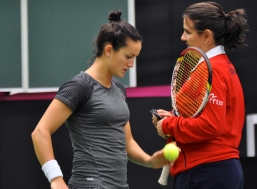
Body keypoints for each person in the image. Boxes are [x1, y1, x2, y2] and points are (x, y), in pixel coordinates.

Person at [31, 11, 170, 189]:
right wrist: (56, 178)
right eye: (128, 56)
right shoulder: (80, 86)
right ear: (109, 50)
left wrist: (150, 161)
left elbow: (127, 141)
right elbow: (40, 132)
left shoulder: (119, 89)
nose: (132, 64)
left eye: (134, 57)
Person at [153, 2, 249, 189]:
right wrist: (172, 119)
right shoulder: (223, 66)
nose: (183, 37)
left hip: (206, 173)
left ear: (206, 36)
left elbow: (210, 125)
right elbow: (207, 119)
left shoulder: (212, 69)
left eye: (188, 32)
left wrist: (169, 124)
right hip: (214, 172)